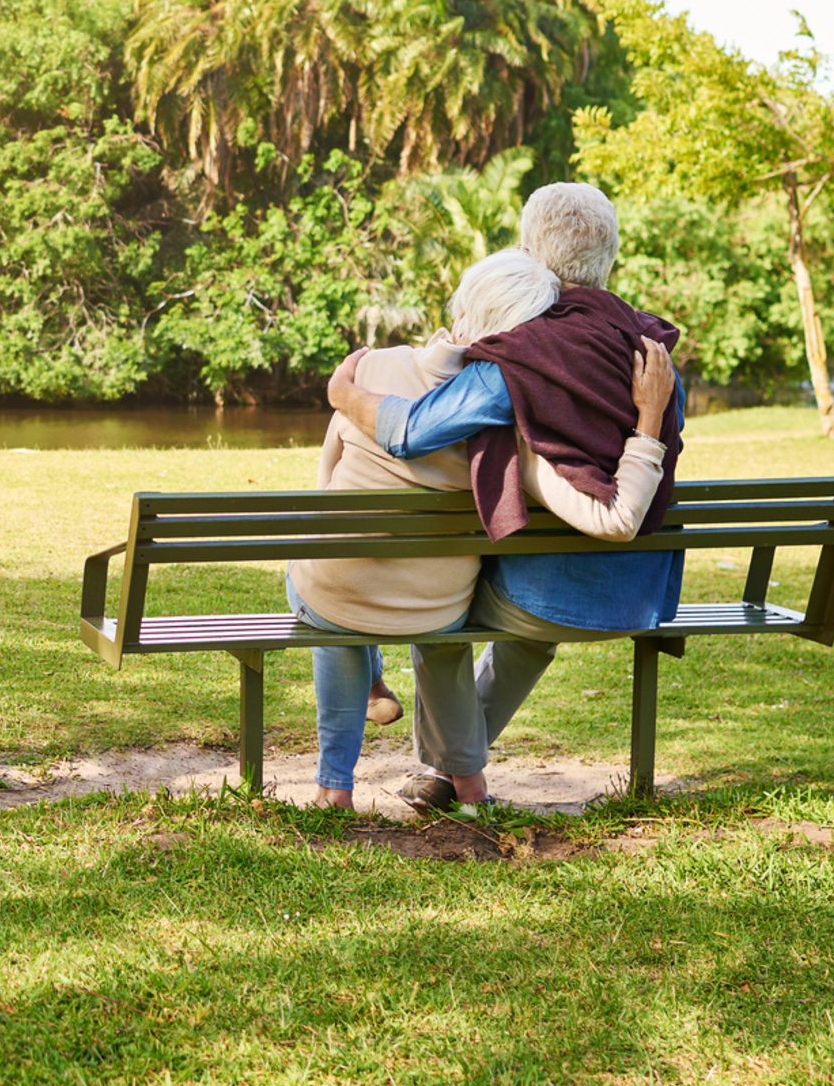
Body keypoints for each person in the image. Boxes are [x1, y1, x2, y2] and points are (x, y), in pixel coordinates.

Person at [324, 182, 685, 813]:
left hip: (550, 590)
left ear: (529, 251)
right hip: (643, 590)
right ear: (612, 258)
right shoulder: (649, 349)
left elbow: (411, 430)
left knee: (441, 603)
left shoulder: (520, 357)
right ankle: (452, 775)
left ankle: (455, 772)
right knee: (510, 615)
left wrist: (344, 396)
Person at [285, 250, 560, 808]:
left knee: (330, 599)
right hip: (437, 606)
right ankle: (470, 788)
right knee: (440, 645)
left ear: (461, 307)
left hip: (339, 588)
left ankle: (334, 786)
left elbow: (327, 473)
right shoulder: (512, 416)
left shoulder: (372, 367)